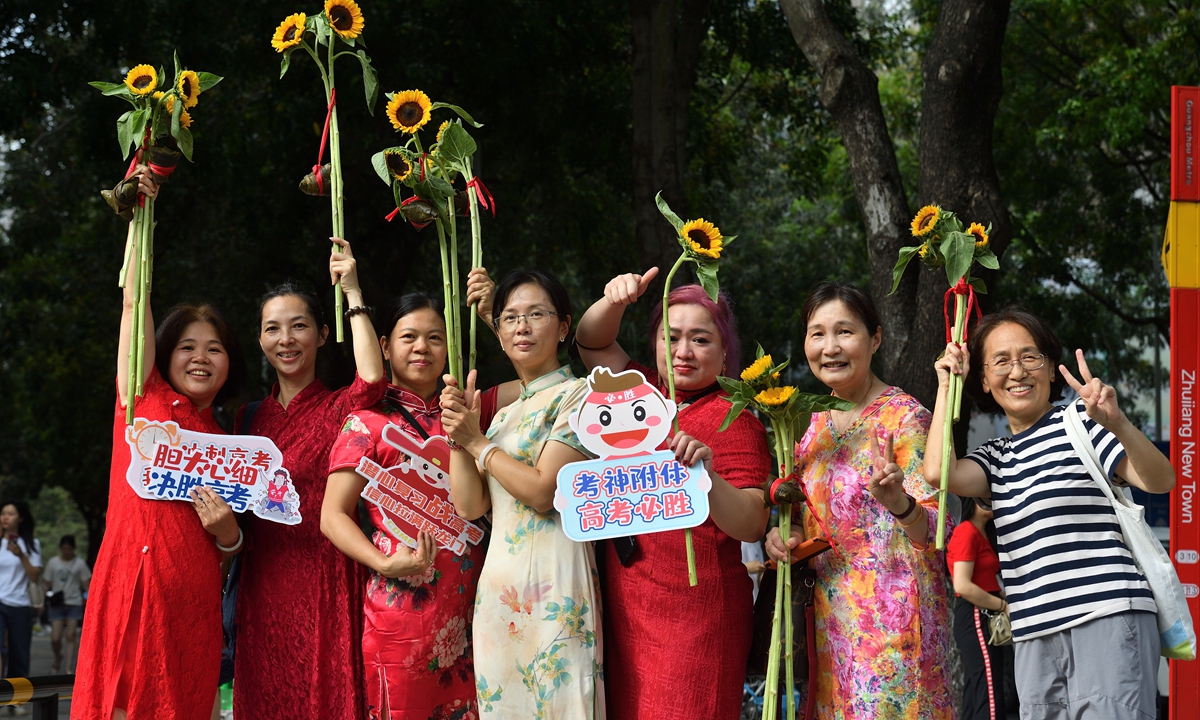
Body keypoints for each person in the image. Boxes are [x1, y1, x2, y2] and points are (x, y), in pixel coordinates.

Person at [929, 309, 1174, 719]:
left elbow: (1161, 480)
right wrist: (944, 385)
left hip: (1106, 616)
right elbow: (939, 471)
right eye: (1001, 361)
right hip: (1033, 634)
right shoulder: (995, 458)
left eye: (1030, 357)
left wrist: (1119, 425)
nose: (1017, 371)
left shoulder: (1081, 423)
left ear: (1050, 369)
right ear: (985, 381)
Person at [74, 167, 246, 720]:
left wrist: (228, 537)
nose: (201, 357)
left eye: (215, 348)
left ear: (229, 364)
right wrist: (139, 219)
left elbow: (230, 551)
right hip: (128, 586)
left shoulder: (228, 444)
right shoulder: (140, 403)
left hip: (190, 606)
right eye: (188, 347)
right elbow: (132, 306)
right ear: (165, 357)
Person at [572, 267, 772, 719]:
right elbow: (589, 341)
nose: (683, 352)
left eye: (700, 340)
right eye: (671, 337)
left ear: (725, 354)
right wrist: (615, 301)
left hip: (697, 617)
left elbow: (752, 521)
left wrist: (706, 474)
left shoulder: (734, 417)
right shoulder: (637, 395)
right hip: (628, 606)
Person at [765, 281, 954, 719]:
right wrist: (784, 534)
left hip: (898, 632)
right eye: (817, 333)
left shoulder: (907, 418)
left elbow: (936, 530)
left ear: (876, 339)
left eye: (845, 332)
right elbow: (808, 521)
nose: (830, 347)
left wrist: (899, 503)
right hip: (831, 627)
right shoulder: (807, 428)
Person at [322, 292, 511, 719]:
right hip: (401, 613)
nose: (422, 347)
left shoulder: (473, 415)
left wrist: (491, 315)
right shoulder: (369, 422)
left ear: (451, 349)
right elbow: (332, 516)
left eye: (435, 338)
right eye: (409, 337)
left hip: (474, 615)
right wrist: (383, 564)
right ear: (386, 346)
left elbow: (545, 373)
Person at [439, 269, 604, 718]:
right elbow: (471, 506)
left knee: (562, 704)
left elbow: (543, 492)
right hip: (499, 590)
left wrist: (476, 443)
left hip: (557, 586)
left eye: (536, 314)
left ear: (564, 326)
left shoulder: (581, 397)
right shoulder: (502, 415)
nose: (522, 327)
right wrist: (458, 434)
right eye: (510, 317)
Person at [233, 242, 386, 720]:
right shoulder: (247, 420)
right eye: (273, 328)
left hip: (328, 579)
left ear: (322, 334)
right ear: (259, 340)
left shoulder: (341, 408)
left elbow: (373, 379)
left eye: (299, 326)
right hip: (263, 586)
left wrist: (353, 291)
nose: (286, 338)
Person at [946, 497, 1006, 720]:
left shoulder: (982, 533)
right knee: (988, 692)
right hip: (975, 615)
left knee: (978, 689)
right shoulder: (966, 531)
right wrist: (1003, 606)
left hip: (982, 613)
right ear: (972, 499)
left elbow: (985, 579)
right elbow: (962, 585)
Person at [0, 501, 42, 681]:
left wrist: (21, 555)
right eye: (2, 513)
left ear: (21, 518)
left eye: (10, 514)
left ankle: (16, 701)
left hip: (20, 603)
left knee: (19, 651)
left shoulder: (32, 544)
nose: (5, 517)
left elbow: (34, 575)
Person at [44, 534, 91, 674]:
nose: (67, 551)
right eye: (64, 548)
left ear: (73, 549)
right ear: (61, 548)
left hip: (74, 602)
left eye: (69, 549)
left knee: (71, 635)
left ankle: (68, 667)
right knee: (55, 637)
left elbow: (86, 584)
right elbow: (47, 583)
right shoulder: (53, 563)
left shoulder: (80, 564)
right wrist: (41, 601)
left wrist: (89, 600)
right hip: (57, 603)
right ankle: (58, 656)